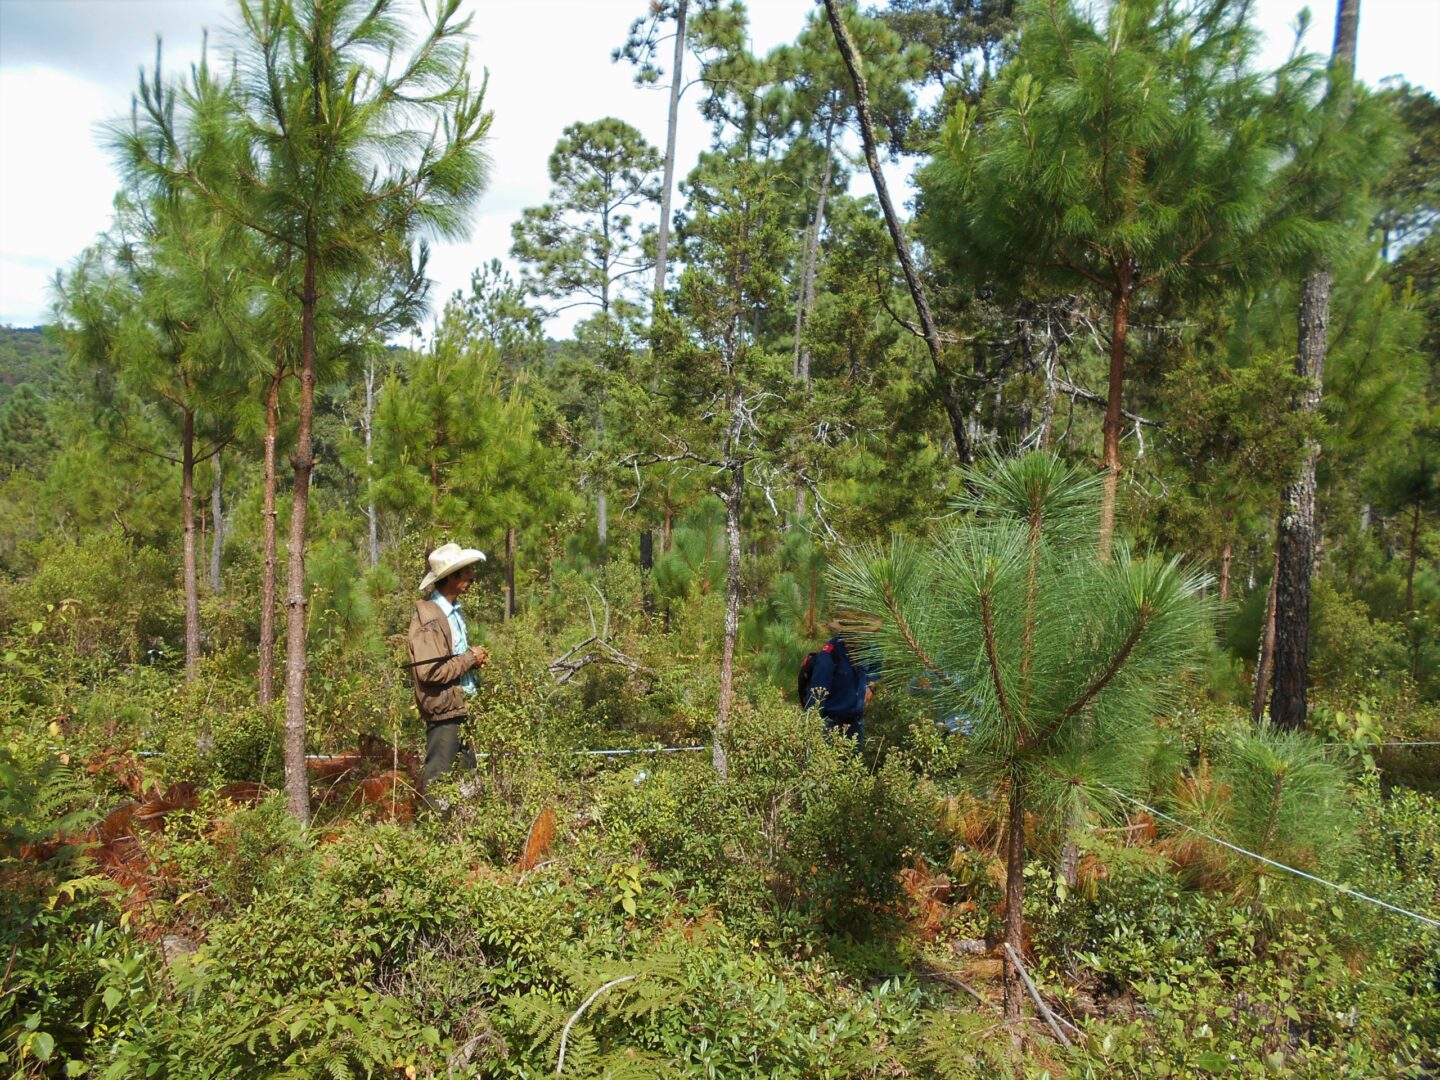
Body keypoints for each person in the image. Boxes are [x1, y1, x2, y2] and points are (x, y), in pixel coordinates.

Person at [407, 542, 490, 790]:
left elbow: (448, 660)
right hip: (445, 713)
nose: (472, 577)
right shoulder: (430, 618)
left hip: (458, 708)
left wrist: (471, 662)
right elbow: (430, 671)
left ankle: (462, 828)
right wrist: (469, 658)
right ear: (450, 577)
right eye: (466, 572)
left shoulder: (451, 612)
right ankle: (436, 826)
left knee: (468, 782)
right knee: (439, 781)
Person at [804, 615, 880, 747]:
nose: (864, 636)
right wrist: (811, 738)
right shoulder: (828, 657)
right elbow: (815, 702)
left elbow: (876, 664)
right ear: (847, 632)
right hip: (830, 727)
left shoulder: (867, 648)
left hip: (856, 725)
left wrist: (871, 685)